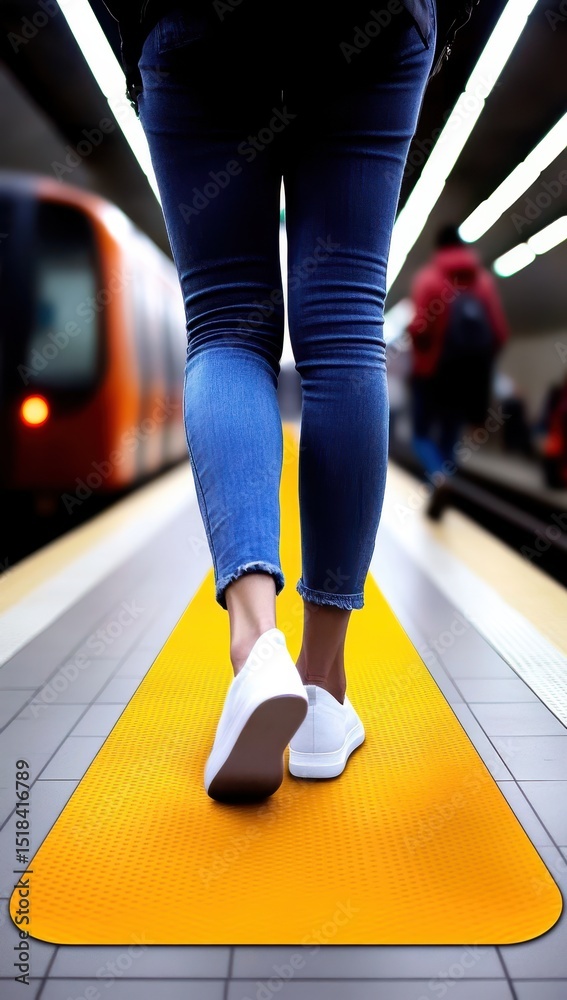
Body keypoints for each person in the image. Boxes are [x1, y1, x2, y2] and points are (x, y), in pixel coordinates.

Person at [102, 0, 475, 803]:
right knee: (343, 330)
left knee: (228, 327)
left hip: (191, 29)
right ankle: (320, 694)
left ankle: (254, 641)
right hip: (373, 26)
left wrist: (136, 36)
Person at [406, 224, 510, 481]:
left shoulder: (428, 278)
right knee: (450, 435)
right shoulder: (483, 282)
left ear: (438, 248)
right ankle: (445, 480)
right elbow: (499, 333)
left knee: (420, 434)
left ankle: (438, 477)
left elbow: (420, 328)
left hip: (432, 372)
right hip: (468, 376)